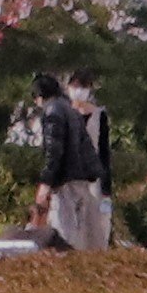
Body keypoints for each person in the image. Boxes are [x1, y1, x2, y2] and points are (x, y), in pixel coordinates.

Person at [35, 75, 117, 251]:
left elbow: (54, 151)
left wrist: (46, 182)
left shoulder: (53, 112)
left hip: (66, 180)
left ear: (40, 97)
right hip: (85, 178)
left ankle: (69, 266)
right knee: (87, 231)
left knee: (65, 231)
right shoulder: (71, 111)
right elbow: (87, 148)